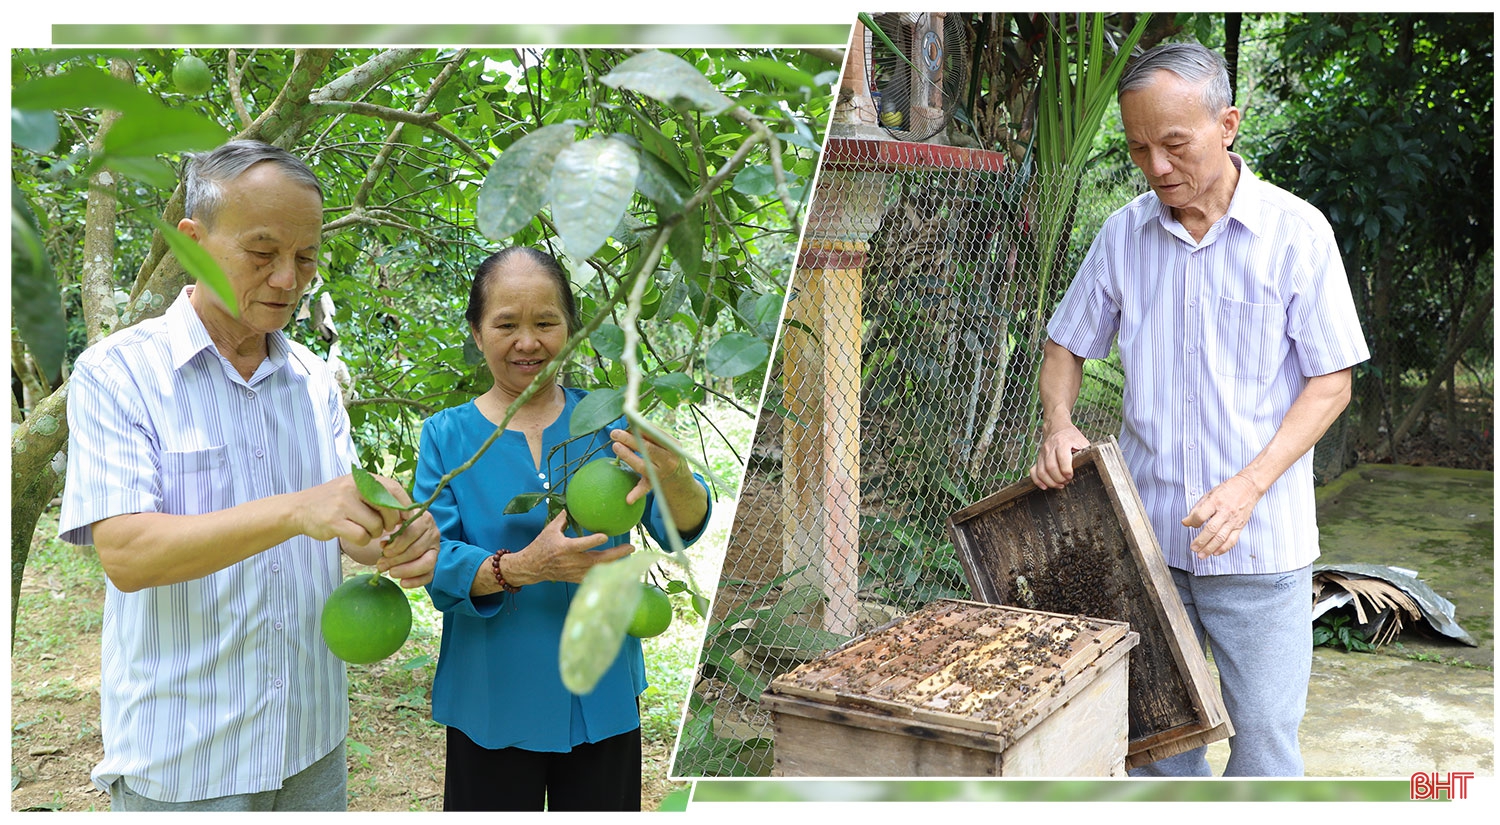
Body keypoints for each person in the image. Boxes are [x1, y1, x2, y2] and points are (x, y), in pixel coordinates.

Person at [58, 140, 440, 811]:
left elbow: (343, 526)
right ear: (194, 243)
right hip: (186, 759)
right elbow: (127, 553)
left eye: (306, 258)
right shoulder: (119, 374)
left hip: (310, 744)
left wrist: (393, 538)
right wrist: (297, 510)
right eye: (262, 255)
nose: (288, 279)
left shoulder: (314, 381)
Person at [1029, 42, 1369, 777]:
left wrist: (1249, 487)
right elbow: (1064, 345)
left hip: (1260, 552)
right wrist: (1059, 422)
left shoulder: (1296, 234)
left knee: (1267, 748)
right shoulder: (1124, 234)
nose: (1156, 167)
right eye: (1139, 149)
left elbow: (1331, 382)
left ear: (1228, 123)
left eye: (1173, 144)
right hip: (1147, 549)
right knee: (1156, 748)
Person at [414, 246, 712, 812]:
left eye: (546, 323)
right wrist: (520, 568)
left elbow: (681, 529)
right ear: (477, 333)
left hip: (599, 695)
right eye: (506, 324)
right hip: (491, 699)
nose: (528, 342)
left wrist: (673, 475)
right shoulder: (446, 437)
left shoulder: (609, 420)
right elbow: (434, 561)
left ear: (571, 329)